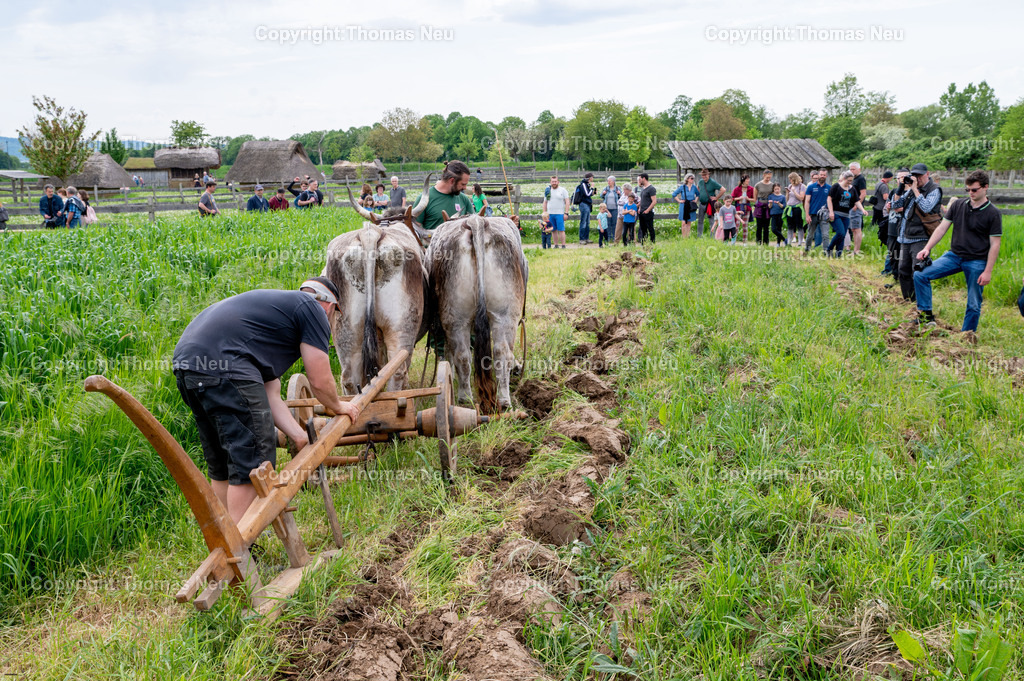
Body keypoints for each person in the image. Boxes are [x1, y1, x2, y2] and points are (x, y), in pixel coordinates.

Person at [173, 277, 362, 524]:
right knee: (253, 464)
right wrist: (339, 406)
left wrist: (298, 436)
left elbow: (270, 393)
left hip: (188, 366)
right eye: (335, 316)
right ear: (330, 306)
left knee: (223, 465)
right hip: (227, 369)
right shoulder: (313, 308)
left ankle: (225, 542)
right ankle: (241, 553)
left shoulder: (274, 318)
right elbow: (319, 379)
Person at [913, 170, 1001, 332]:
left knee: (974, 302)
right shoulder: (959, 205)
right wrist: (927, 248)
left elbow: (995, 244)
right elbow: (942, 228)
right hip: (954, 256)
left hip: (977, 260)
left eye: (974, 190)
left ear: (985, 187)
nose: (971, 193)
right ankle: (926, 316)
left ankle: (967, 335)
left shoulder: (993, 213)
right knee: (920, 274)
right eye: (968, 190)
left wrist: (988, 271)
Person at [895, 163, 942, 302]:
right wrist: (901, 187)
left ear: (927, 174)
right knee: (902, 269)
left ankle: (920, 302)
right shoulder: (910, 190)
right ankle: (908, 299)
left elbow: (926, 207)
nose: (917, 178)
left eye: (920, 175)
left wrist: (915, 190)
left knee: (918, 271)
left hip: (921, 237)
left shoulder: (935, 189)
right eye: (914, 175)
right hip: (905, 236)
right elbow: (897, 205)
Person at [413, 160, 475, 231]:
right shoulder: (424, 199)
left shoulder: (464, 199)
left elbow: (474, 225)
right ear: (452, 181)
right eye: (463, 184)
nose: (465, 188)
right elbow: (415, 229)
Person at [826, 171, 862, 258]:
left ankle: (838, 255)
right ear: (844, 179)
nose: (850, 182)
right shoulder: (836, 186)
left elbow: (857, 201)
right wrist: (831, 212)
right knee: (841, 233)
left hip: (846, 215)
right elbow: (829, 199)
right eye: (849, 180)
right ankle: (829, 248)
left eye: (851, 180)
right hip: (836, 213)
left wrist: (863, 210)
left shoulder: (852, 189)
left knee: (842, 235)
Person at [884, 169, 909, 287]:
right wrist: (890, 207)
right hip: (892, 226)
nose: (900, 180)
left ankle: (904, 277)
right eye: (898, 178)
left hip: (905, 228)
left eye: (903, 177)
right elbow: (888, 209)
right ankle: (895, 276)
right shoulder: (893, 191)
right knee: (893, 254)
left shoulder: (912, 192)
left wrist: (902, 208)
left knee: (903, 255)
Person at [803, 169, 831, 255]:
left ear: (826, 176)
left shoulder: (829, 188)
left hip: (825, 215)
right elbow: (807, 201)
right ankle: (807, 250)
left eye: (824, 175)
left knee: (825, 234)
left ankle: (826, 251)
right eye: (821, 174)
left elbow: (831, 201)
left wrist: (831, 212)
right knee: (810, 234)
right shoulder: (811, 187)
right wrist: (807, 215)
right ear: (818, 175)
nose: (822, 176)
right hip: (813, 214)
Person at [541, 175, 570, 249]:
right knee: (553, 230)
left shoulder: (563, 190)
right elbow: (545, 202)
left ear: (558, 182)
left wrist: (566, 213)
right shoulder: (548, 191)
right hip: (550, 213)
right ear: (550, 182)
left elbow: (567, 201)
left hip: (560, 213)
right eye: (552, 181)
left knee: (561, 230)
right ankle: (556, 245)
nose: (554, 183)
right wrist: (544, 213)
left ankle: (563, 245)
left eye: (555, 181)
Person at [696, 168, 725, 238]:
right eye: (702, 175)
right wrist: (697, 198)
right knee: (700, 221)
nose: (704, 176)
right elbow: (698, 189)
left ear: (708, 175)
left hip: (709, 204)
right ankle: (699, 236)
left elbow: (723, 189)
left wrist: (716, 197)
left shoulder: (712, 182)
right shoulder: (700, 182)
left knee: (712, 220)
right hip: (701, 203)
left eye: (705, 175)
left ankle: (713, 237)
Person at [874, 171, 893, 271]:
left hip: (876, 207)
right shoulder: (884, 186)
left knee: (875, 224)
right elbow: (886, 197)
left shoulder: (878, 183)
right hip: (882, 208)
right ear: (889, 178)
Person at [672, 173, 699, 238]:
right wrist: (679, 201)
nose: (693, 180)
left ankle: (687, 236)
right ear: (687, 179)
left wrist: (695, 200)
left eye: (693, 178)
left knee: (689, 222)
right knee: (684, 222)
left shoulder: (694, 187)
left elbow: (698, 194)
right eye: (691, 178)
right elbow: (674, 194)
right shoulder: (682, 187)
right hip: (684, 206)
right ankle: (684, 237)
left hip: (691, 206)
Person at [573, 172, 595, 245]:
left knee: (587, 222)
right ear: (590, 178)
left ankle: (586, 238)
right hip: (584, 204)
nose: (593, 179)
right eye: (592, 177)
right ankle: (582, 239)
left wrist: (593, 192)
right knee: (583, 222)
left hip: (587, 204)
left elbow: (588, 194)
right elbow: (587, 194)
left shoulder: (586, 184)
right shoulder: (583, 184)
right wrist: (592, 188)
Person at [753, 170, 774, 245]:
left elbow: (774, 195)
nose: (768, 178)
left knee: (766, 226)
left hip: (768, 206)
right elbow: (755, 197)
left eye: (770, 177)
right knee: (759, 226)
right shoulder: (758, 185)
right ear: (764, 175)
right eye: (767, 177)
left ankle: (766, 242)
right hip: (760, 206)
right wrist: (757, 204)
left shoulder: (772, 185)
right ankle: (758, 242)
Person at [636, 173, 657, 244]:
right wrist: (639, 208)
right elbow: (642, 200)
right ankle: (644, 243)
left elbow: (654, 201)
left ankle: (652, 242)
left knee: (650, 228)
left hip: (648, 212)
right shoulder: (643, 189)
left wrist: (648, 210)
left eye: (640, 179)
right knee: (643, 229)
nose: (639, 180)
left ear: (644, 178)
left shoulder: (651, 188)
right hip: (642, 211)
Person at [785, 172, 806, 244]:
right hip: (790, 207)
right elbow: (787, 199)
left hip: (797, 208)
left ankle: (800, 242)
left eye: (790, 179)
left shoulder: (801, 186)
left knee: (799, 225)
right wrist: (787, 193)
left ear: (793, 178)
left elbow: (801, 198)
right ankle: (789, 242)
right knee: (790, 226)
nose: (789, 180)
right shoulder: (790, 186)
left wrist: (794, 191)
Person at [731, 174, 754, 243]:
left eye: (748, 179)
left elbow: (754, 199)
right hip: (738, 208)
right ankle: (733, 241)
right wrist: (739, 198)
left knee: (745, 226)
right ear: (743, 180)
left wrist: (748, 199)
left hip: (747, 208)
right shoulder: (737, 189)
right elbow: (731, 198)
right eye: (747, 179)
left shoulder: (751, 189)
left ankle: (745, 242)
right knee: (737, 225)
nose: (748, 181)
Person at [601, 176, 619, 241]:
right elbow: (601, 196)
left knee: (614, 223)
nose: (608, 182)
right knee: (607, 223)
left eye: (610, 181)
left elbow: (622, 196)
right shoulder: (606, 189)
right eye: (608, 181)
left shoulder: (617, 189)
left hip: (615, 208)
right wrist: (603, 194)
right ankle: (608, 237)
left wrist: (619, 194)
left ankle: (614, 237)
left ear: (613, 182)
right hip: (607, 209)